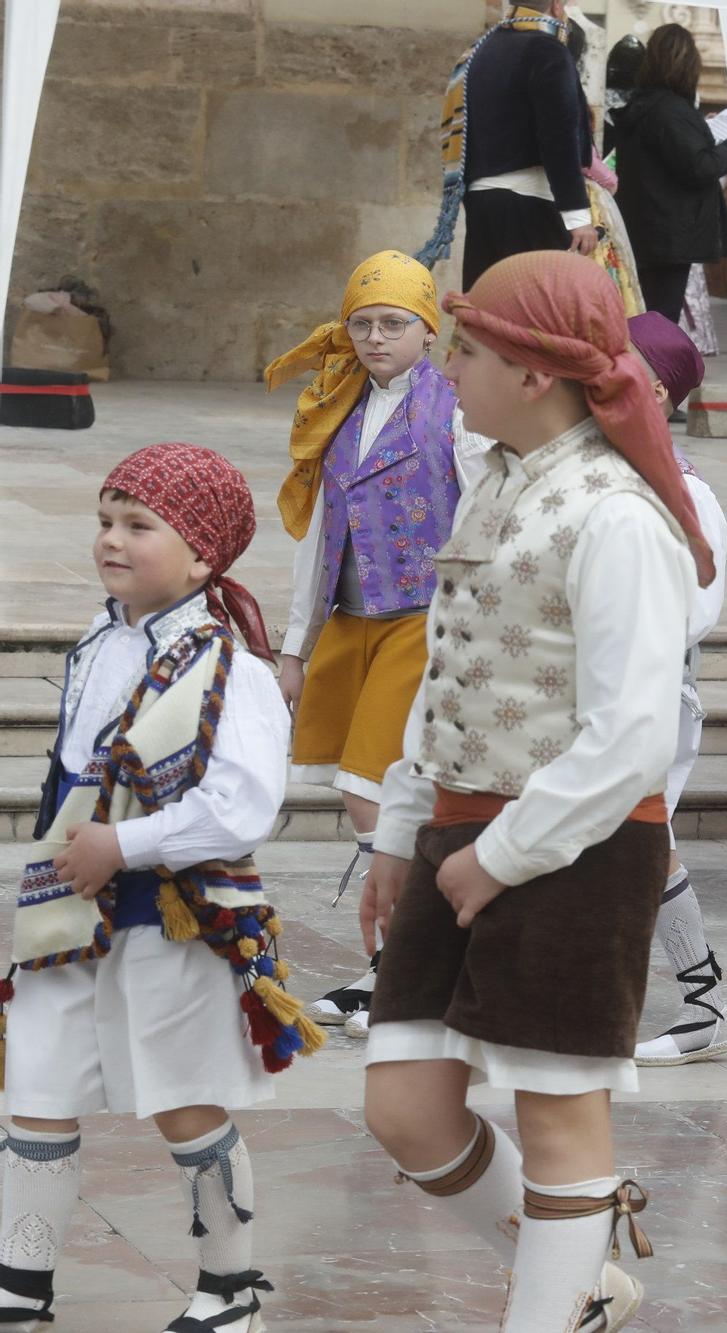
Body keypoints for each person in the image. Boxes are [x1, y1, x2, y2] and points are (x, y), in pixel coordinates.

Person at [359, 251, 715, 1332]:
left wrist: (502, 855)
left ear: (533, 370)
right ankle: (582, 1282)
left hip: (575, 852)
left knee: (559, 1117)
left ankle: (551, 1309)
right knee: (405, 1106)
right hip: (459, 833)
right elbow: (448, 673)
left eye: (466, 348)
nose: (449, 366)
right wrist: (402, 828)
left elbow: (632, 733)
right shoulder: (498, 481)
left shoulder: (615, 515)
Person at [0, 445, 323, 1328]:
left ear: (204, 556)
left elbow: (243, 807)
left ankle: (229, 1286)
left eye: (139, 525)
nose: (112, 539)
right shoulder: (97, 643)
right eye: (106, 519)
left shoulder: (235, 669)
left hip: (175, 918)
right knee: (36, 1083)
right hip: (65, 911)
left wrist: (128, 842)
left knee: (184, 1099)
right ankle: (20, 1278)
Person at [264, 251, 477, 1036]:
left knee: (369, 783)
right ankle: (403, 955)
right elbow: (319, 534)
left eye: (393, 323)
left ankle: (405, 960)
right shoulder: (339, 405)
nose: (375, 337)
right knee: (350, 783)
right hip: (350, 616)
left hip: (422, 615)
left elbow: (481, 504)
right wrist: (295, 643)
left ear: (428, 329)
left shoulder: (453, 407)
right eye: (362, 323)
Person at [626, 312, 727, 1066]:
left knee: (637, 836)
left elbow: (694, 608)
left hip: (648, 691)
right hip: (588, 690)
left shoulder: (688, 493)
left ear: (658, 391)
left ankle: (705, 1003)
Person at [413, 1, 597, 287]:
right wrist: (577, 215)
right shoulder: (548, 50)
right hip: (530, 203)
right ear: (557, 5)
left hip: (483, 201)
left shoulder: (480, 50)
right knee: (533, 321)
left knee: (485, 314)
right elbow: (559, 137)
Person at [604, 23, 727, 323]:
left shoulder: (642, 106)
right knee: (660, 318)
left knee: (643, 313)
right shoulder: (671, 110)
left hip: (642, 225)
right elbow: (699, 167)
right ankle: (652, 371)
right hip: (671, 232)